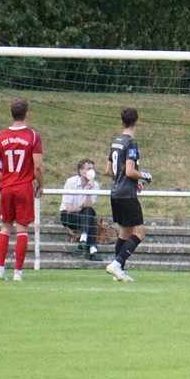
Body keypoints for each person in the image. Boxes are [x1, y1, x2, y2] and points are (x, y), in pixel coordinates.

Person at [0, 98, 44, 281]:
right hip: (24, 186)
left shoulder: (0, 136)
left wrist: (2, 180)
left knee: (5, 227)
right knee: (22, 228)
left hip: (7, 186)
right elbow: (37, 166)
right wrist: (41, 185)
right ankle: (18, 272)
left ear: (11, 114)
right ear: (26, 114)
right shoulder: (33, 136)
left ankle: (0, 269)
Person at [104, 108, 153, 281]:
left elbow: (108, 170)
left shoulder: (116, 141)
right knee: (139, 234)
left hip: (115, 193)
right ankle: (116, 264)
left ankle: (119, 272)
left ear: (121, 122)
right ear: (137, 122)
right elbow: (130, 171)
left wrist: (131, 180)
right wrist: (144, 176)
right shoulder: (131, 143)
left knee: (124, 234)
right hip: (127, 195)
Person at [60, 158, 102, 261]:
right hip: (68, 216)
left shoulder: (95, 185)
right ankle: (93, 249)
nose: (91, 171)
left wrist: (89, 190)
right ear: (81, 171)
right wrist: (82, 210)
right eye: (88, 168)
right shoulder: (71, 182)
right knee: (89, 215)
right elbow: (69, 208)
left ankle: (84, 239)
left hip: (84, 216)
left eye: (92, 169)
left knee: (89, 213)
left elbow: (88, 205)